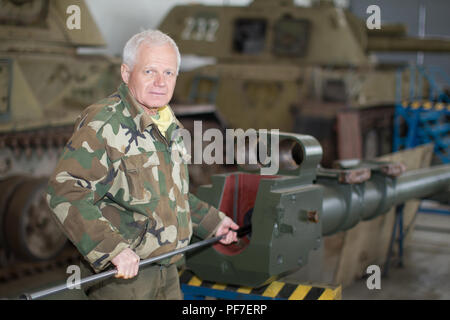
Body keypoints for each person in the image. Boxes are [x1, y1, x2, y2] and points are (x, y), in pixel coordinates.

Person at [46, 29, 238, 300]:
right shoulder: (105, 123)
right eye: (149, 71)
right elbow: (64, 190)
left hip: (169, 272)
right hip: (124, 281)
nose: (161, 82)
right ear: (126, 73)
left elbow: (170, 197)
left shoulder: (167, 124)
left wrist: (213, 223)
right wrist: (111, 248)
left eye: (169, 73)